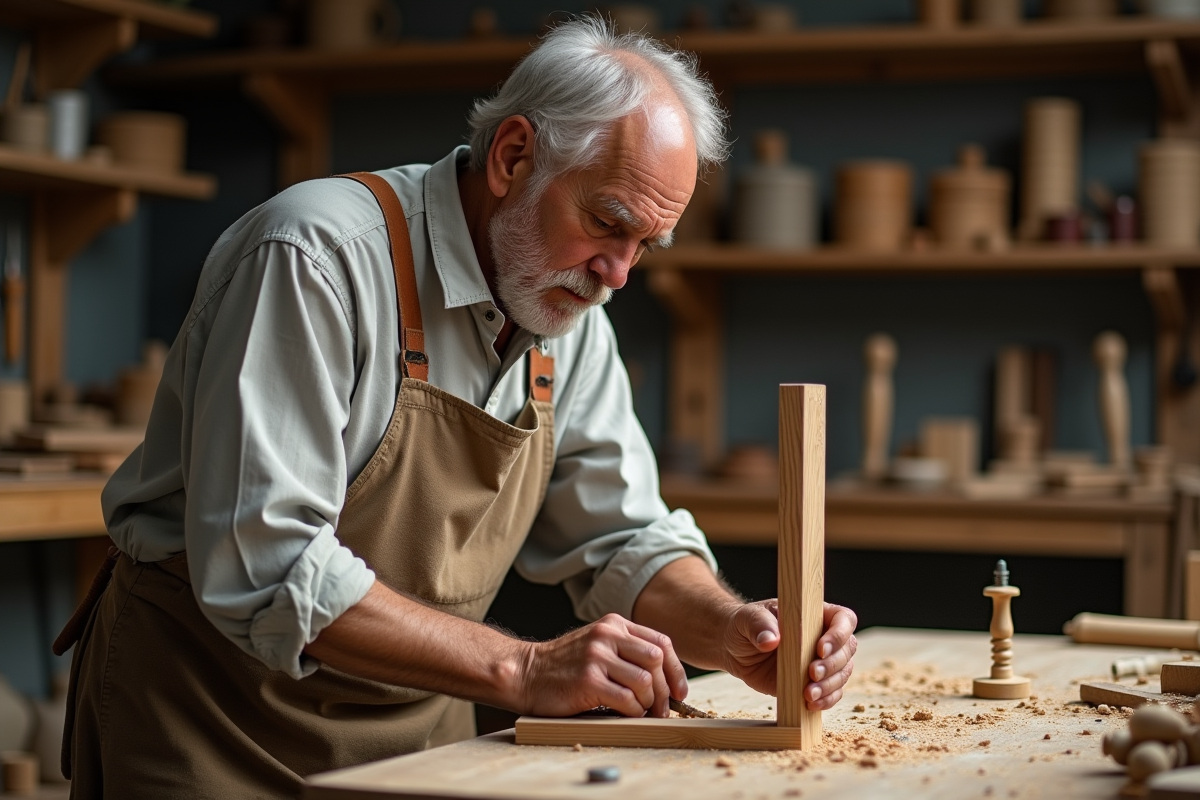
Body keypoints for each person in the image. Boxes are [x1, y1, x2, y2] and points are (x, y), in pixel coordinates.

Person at [59, 17, 857, 798]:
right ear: (513, 156)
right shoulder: (314, 259)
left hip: (415, 742)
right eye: (607, 222)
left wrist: (732, 628)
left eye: (645, 245)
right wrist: (526, 668)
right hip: (213, 722)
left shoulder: (569, 315)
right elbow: (271, 565)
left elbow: (620, 539)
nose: (618, 275)